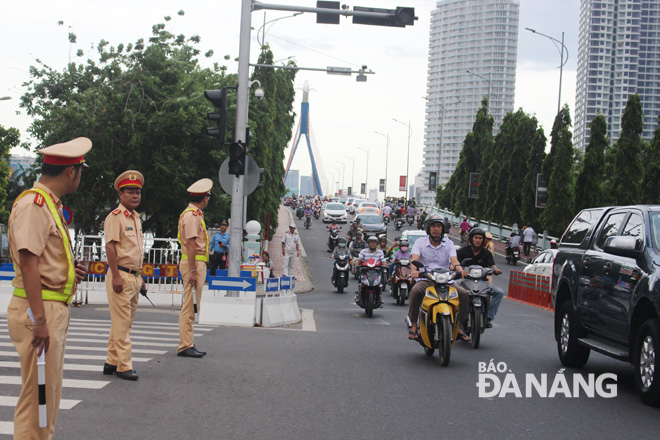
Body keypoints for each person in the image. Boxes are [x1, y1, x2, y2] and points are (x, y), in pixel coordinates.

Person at [7, 137, 91, 439]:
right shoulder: (34, 204)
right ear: (71, 172)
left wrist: (71, 272)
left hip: (48, 307)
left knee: (47, 395)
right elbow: (28, 264)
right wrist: (40, 321)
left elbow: (44, 261)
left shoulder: (49, 205)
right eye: (80, 171)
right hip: (38, 311)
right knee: (37, 400)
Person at [103, 170, 145, 381]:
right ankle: (124, 366)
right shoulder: (115, 217)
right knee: (121, 323)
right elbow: (110, 247)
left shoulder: (136, 218)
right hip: (120, 275)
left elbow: (136, 250)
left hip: (134, 277)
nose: (135, 196)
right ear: (121, 194)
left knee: (125, 322)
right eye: (130, 192)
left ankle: (111, 362)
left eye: (138, 192)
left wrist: (141, 276)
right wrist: (116, 275)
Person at [407, 213, 470, 342]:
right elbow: (414, 260)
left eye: (439, 226)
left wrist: (460, 270)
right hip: (426, 278)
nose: (436, 229)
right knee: (415, 291)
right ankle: (414, 324)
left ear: (443, 228)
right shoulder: (420, 242)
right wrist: (414, 271)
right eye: (433, 226)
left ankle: (458, 326)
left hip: (446, 279)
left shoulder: (449, 243)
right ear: (428, 228)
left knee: (463, 294)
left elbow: (454, 260)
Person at [177, 178, 213, 358]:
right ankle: (185, 345)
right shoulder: (192, 216)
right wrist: (192, 271)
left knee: (191, 305)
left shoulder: (194, 214)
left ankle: (187, 342)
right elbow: (191, 244)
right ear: (205, 198)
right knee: (189, 306)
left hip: (195, 263)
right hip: (194, 264)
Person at [456, 228, 505, 328]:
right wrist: (458, 270)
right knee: (453, 292)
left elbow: (492, 265)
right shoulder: (462, 252)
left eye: (480, 238)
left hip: (482, 282)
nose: (478, 240)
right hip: (465, 281)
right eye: (476, 238)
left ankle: (488, 317)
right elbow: (455, 264)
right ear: (471, 239)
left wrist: (495, 270)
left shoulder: (486, 253)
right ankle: (456, 316)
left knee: (499, 292)